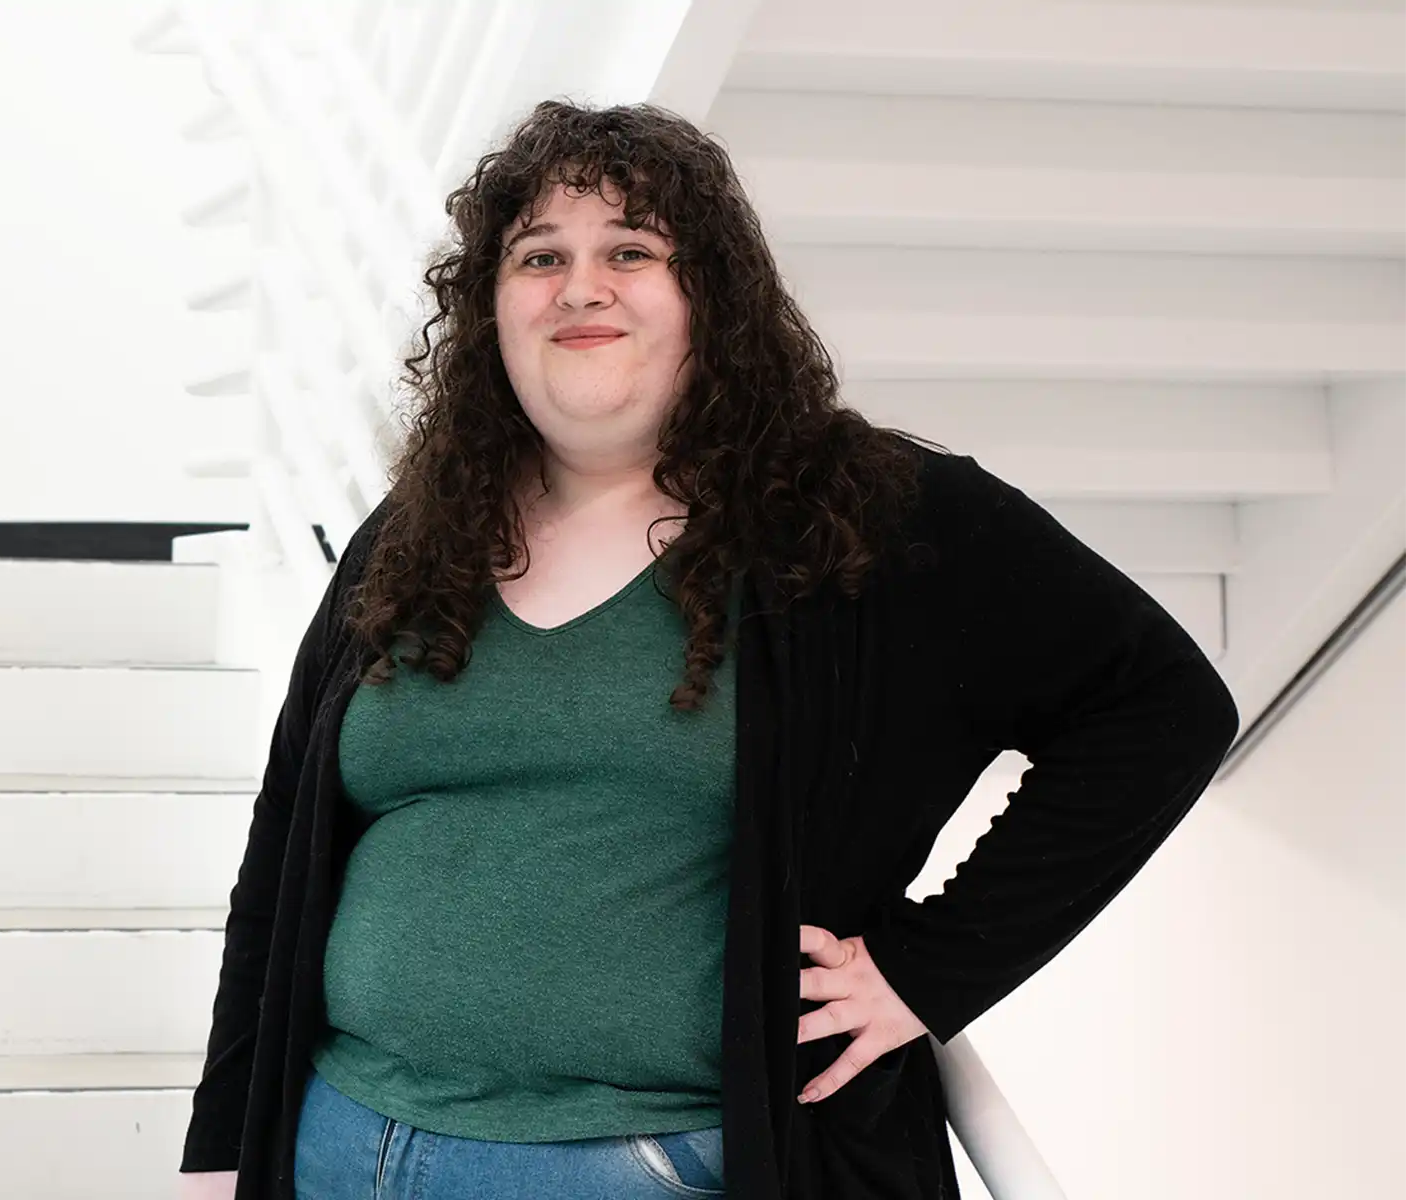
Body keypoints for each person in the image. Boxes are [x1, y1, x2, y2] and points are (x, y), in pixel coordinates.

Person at [178, 100, 1239, 1200]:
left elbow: (1160, 706)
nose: (580, 286)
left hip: (659, 1168)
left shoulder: (870, 513)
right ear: (491, 308)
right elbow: (282, 858)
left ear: (708, 299)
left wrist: (930, 969)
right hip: (344, 1145)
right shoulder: (415, 533)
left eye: (629, 250)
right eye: (540, 256)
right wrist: (221, 1150)